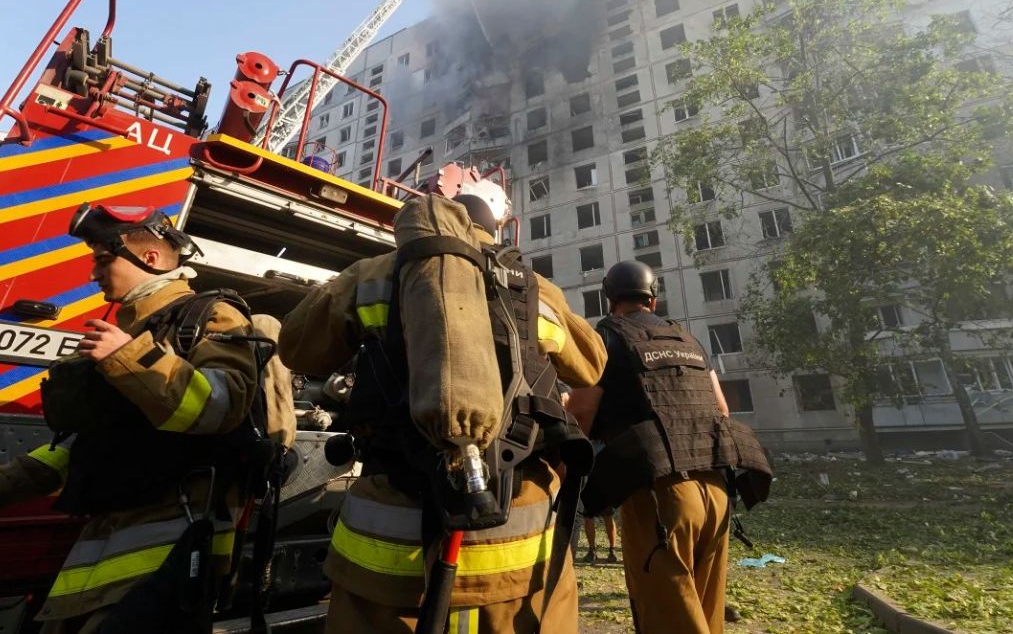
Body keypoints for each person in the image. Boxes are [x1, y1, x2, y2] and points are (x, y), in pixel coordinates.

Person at [278, 189, 606, 633]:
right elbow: (592, 365)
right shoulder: (535, 288)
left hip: (388, 552)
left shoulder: (372, 275)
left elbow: (297, 348)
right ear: (494, 230)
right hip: (519, 543)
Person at [0, 203, 261, 633]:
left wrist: (127, 356)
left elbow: (221, 408)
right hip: (99, 555)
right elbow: (77, 451)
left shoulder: (209, 316)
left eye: (103, 260)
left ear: (150, 259)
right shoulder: (134, 334)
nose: (92, 274)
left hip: (170, 549)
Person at [568, 261, 772, 634]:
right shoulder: (688, 340)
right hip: (718, 492)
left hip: (661, 497)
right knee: (707, 616)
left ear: (608, 298)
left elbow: (580, 413)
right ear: (654, 298)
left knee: (668, 617)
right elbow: (722, 410)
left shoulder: (608, 337)